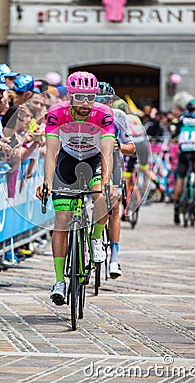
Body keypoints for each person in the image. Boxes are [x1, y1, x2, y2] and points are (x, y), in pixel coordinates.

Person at [36, 71, 116, 305]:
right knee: (62, 219)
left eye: (90, 97)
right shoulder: (56, 113)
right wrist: (48, 183)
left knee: (101, 194)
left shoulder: (104, 114)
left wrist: (104, 182)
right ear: (70, 96)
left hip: (93, 160)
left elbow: (107, 153)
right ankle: (60, 280)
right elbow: (51, 152)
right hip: (68, 161)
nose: (85, 103)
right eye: (79, 97)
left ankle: (96, 238)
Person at [95, 82, 135, 278]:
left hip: (113, 164)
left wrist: (118, 144)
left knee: (114, 209)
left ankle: (114, 259)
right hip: (88, 163)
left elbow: (131, 147)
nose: (103, 104)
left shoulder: (118, 116)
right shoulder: (85, 115)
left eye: (106, 101)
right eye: (98, 100)